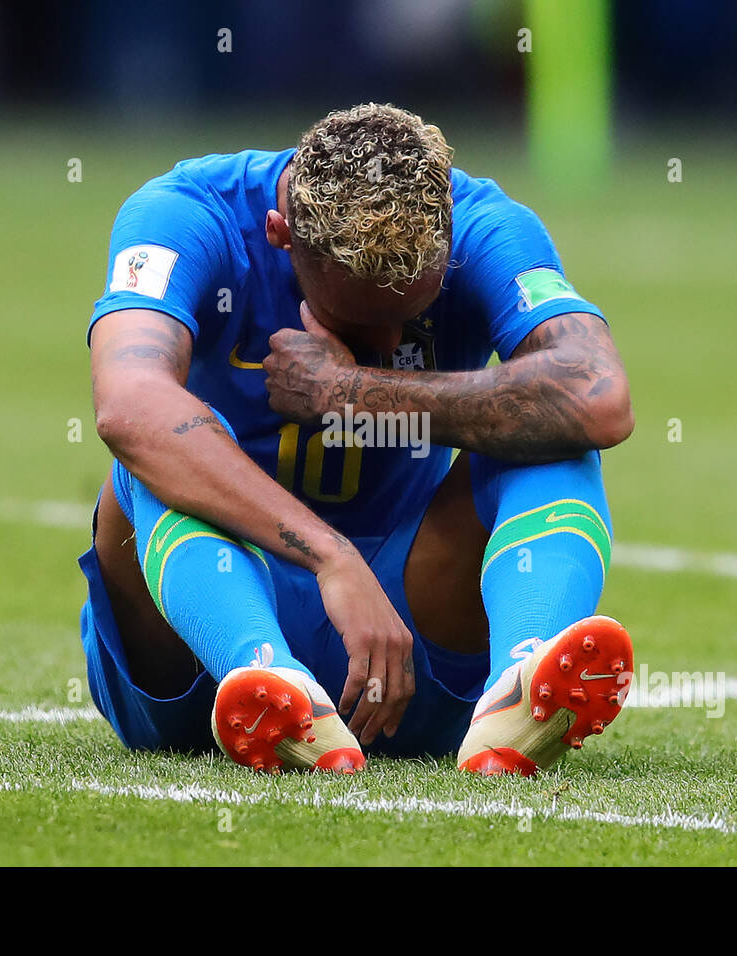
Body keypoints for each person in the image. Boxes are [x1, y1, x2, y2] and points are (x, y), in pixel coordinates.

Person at [78, 103, 634, 776]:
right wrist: (330, 558)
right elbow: (129, 406)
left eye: (413, 314)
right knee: (160, 445)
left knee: (558, 437)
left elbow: (599, 396)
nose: (394, 343)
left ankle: (519, 686)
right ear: (281, 235)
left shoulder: (486, 225)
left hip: (411, 635)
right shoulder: (188, 213)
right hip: (200, 654)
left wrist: (355, 391)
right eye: (363, 320)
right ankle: (267, 674)